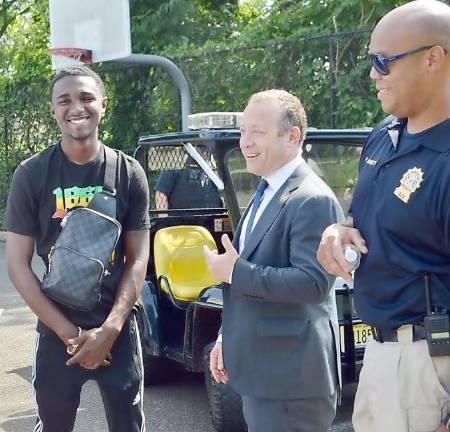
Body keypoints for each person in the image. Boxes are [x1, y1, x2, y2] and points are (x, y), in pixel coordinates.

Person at [316, 1, 450, 431]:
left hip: (430, 367)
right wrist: (337, 232)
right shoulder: (383, 135)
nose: (373, 74)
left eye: (383, 61)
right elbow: (363, 219)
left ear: (433, 58)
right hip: (378, 358)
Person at [4, 65, 149, 432]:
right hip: (56, 334)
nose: (76, 107)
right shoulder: (32, 173)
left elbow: (138, 259)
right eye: (64, 100)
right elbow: (17, 266)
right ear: (53, 109)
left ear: (103, 103)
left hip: (116, 330)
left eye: (86, 98)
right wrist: (70, 335)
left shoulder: (128, 173)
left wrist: (110, 330)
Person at [204, 89, 343, 432]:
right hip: (267, 377)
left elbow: (312, 283)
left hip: (291, 383)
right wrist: (226, 338)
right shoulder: (267, 190)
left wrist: (236, 272)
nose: (245, 142)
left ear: (292, 136)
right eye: (243, 132)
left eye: (258, 132)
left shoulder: (311, 199)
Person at [154, 148, 223, 211]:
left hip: (211, 218)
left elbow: (223, 194)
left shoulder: (214, 174)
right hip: (179, 221)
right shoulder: (174, 171)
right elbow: (161, 193)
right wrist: (164, 221)